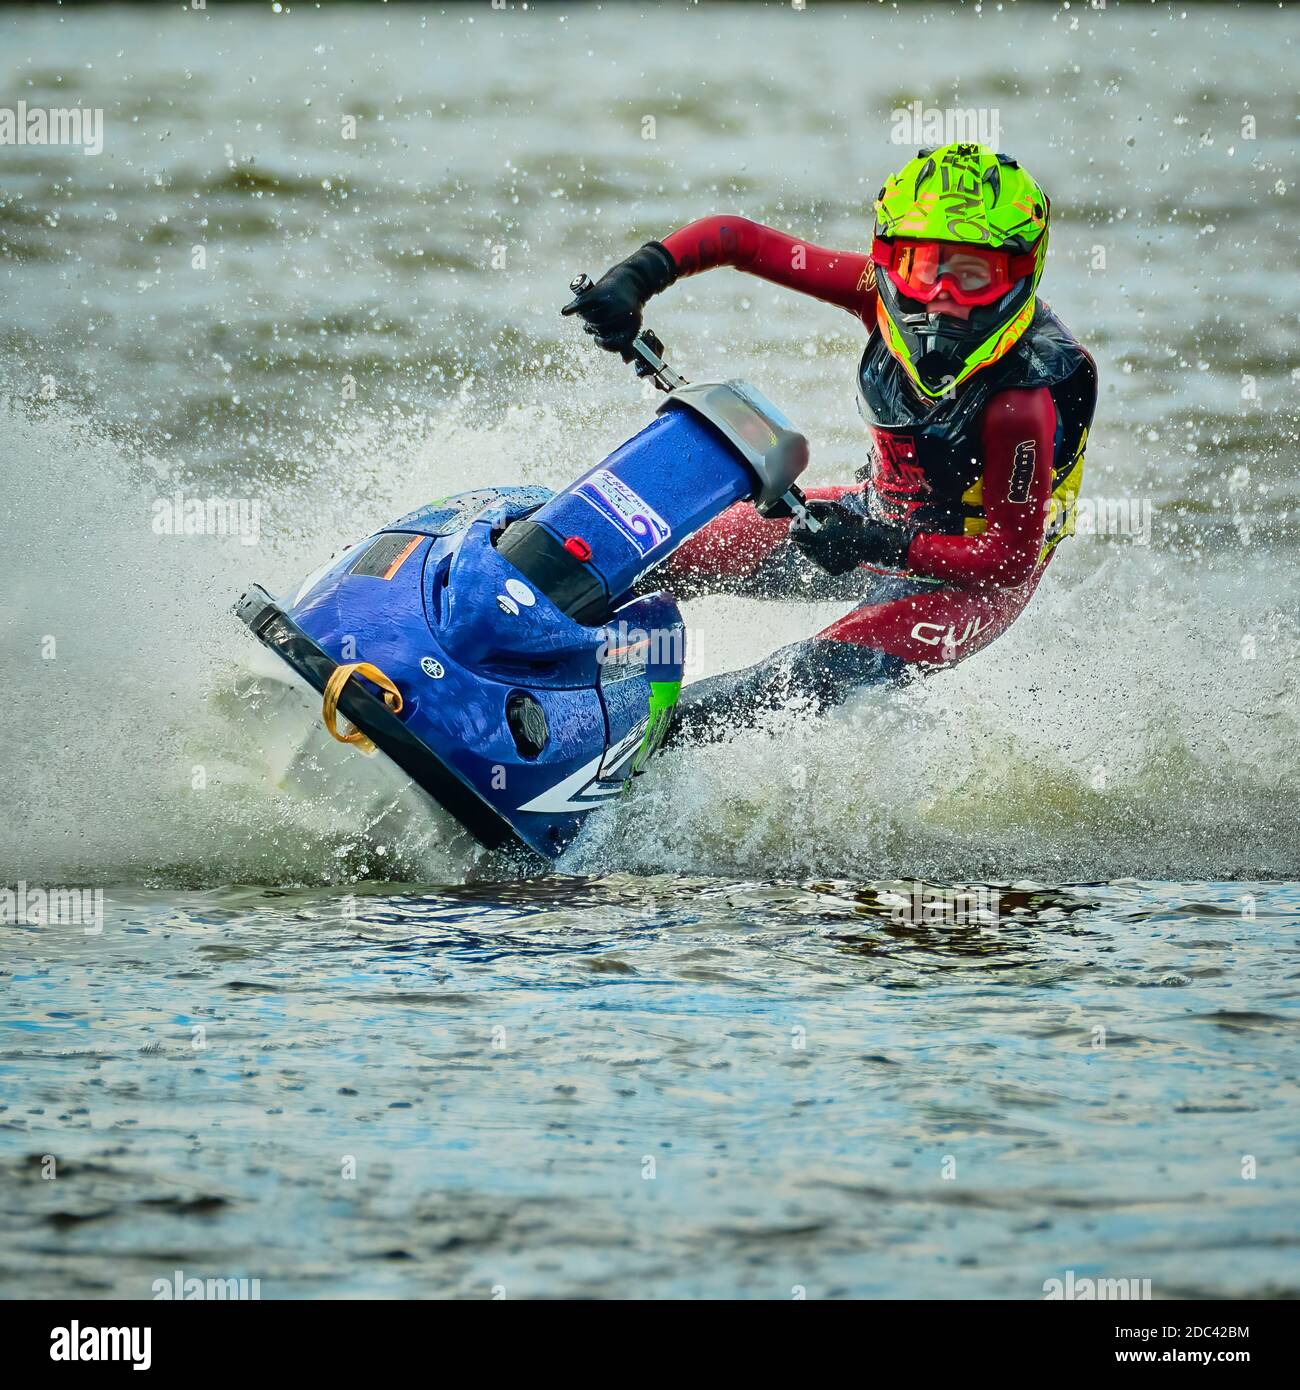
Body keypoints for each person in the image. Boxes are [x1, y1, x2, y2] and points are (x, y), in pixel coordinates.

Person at [561, 142, 1097, 746]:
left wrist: (879, 543)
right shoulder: (874, 290)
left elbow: (1010, 560)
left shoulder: (1021, 401)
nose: (943, 295)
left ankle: (607, 767)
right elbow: (737, 239)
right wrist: (635, 278)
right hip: (866, 519)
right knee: (660, 558)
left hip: (965, 583)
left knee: (788, 680)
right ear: (893, 261)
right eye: (927, 268)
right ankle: (523, 658)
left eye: (972, 275)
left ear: (1020, 274)